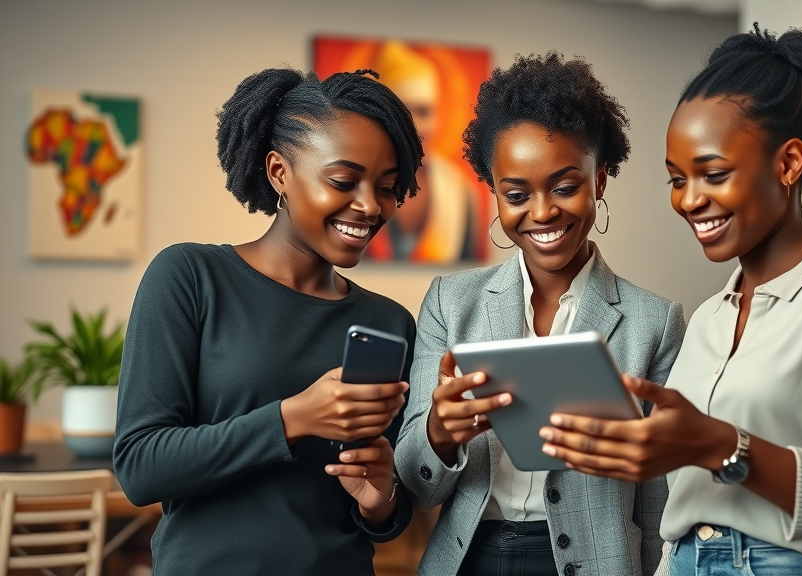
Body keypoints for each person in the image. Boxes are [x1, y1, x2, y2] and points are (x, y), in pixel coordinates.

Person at [540, 25, 802, 575]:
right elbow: (683, 510)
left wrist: (723, 446)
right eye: (677, 179)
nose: (690, 200)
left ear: (788, 163)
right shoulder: (707, 318)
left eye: (713, 174)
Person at [113, 68, 424, 575]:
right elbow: (141, 468)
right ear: (279, 172)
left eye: (388, 188)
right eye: (344, 181)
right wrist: (294, 418)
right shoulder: (190, 277)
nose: (370, 206)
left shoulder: (387, 322)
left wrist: (380, 498)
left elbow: (390, 510)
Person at [394, 52, 686, 576]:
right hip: (470, 560)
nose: (543, 211)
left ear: (600, 181)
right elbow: (415, 490)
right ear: (494, 195)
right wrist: (440, 431)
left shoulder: (655, 322)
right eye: (516, 194)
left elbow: (658, 502)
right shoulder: (449, 303)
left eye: (566, 186)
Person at [365, 40, 487, 262]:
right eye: (403, 112)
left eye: (423, 112)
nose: (414, 126)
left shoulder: (462, 193)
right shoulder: (357, 184)